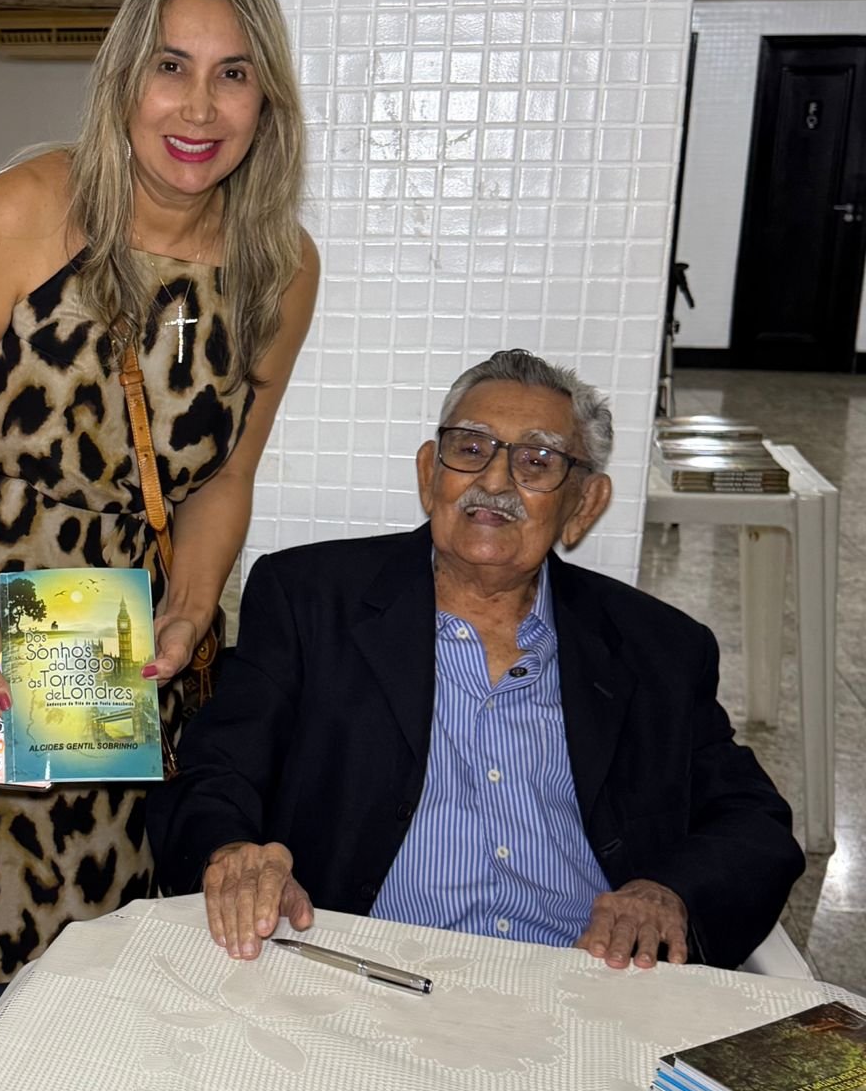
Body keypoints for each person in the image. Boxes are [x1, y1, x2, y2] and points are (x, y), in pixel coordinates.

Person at [0, 0, 318, 1008]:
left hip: (119, 627)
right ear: (124, 79)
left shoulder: (281, 267)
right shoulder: (25, 209)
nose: (198, 107)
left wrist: (191, 611)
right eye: (171, 66)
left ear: (266, 100)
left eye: (233, 73)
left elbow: (224, 476)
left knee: (98, 906)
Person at [150, 349, 805, 972]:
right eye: (470, 449)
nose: (494, 481)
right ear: (429, 473)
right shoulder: (310, 600)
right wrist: (232, 852)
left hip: (580, 979)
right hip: (366, 974)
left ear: (584, 504)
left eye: (537, 462)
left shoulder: (657, 647)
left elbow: (755, 822)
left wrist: (670, 893)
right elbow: (215, 771)